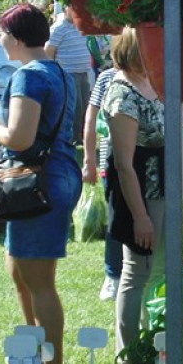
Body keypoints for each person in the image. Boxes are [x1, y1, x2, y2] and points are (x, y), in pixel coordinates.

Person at [0, 4, 80, 364]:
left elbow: (20, 138)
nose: (0, 39)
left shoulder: (28, 76)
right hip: (55, 174)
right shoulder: (58, 70)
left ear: (17, 37)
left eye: (2, 32)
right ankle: (36, 353)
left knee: (40, 281)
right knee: (20, 271)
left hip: (38, 179)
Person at [102, 28, 165, 357]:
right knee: (135, 272)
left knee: (152, 271)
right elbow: (124, 165)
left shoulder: (152, 82)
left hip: (162, 190)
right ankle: (129, 354)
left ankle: (151, 347)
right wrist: (141, 217)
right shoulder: (121, 93)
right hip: (141, 195)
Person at [82, 63, 121, 301]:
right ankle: (113, 274)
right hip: (112, 161)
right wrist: (89, 160)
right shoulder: (107, 77)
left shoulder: (158, 71)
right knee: (115, 221)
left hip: (149, 161)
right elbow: (91, 118)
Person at [45, 5, 92, 145]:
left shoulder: (80, 25)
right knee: (74, 107)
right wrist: (54, 72)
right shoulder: (59, 28)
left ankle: (80, 136)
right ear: (67, 9)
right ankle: (71, 137)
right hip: (68, 73)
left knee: (84, 105)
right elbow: (49, 50)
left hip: (83, 72)